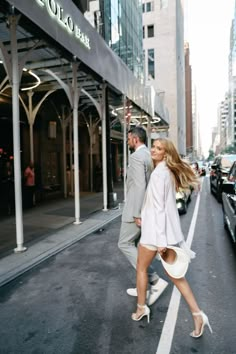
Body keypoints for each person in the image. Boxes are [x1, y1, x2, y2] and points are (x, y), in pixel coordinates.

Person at [131, 138, 213, 338]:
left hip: (155, 234)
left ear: (165, 154)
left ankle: (142, 308)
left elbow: (159, 209)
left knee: (142, 269)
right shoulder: (165, 171)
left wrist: (159, 242)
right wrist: (144, 215)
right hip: (161, 231)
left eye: (159, 148)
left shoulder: (160, 174)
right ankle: (197, 314)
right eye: (154, 146)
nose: (154, 150)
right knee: (177, 277)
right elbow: (158, 205)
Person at [118, 127, 168, 306]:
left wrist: (137, 214)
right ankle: (142, 286)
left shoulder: (136, 157)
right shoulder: (148, 155)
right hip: (145, 208)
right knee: (139, 246)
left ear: (135, 139)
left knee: (124, 243)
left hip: (135, 209)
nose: (128, 141)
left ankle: (154, 279)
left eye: (129, 138)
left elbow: (139, 186)